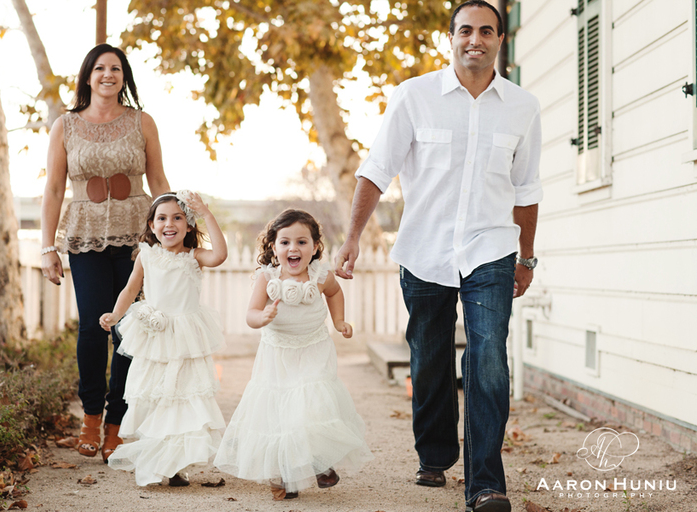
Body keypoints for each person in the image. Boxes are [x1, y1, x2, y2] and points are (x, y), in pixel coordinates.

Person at [335, 2, 542, 511]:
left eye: (487, 31)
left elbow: (527, 189)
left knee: (488, 356)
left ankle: (487, 483)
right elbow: (377, 169)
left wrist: (527, 256)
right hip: (424, 249)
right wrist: (353, 237)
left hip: (491, 248)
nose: (476, 39)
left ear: (500, 40)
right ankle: (434, 454)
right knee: (428, 356)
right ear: (450, 38)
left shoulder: (522, 106)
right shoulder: (414, 96)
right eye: (466, 30)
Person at [40, 43, 171, 463]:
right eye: (100, 68)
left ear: (124, 77)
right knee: (93, 329)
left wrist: (174, 234)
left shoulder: (142, 122)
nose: (108, 75)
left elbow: (159, 180)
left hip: (137, 240)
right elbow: (54, 189)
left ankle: (117, 423)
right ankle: (91, 417)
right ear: (88, 76)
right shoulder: (65, 125)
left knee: (129, 331)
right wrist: (48, 247)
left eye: (116, 68)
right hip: (86, 237)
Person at [214, 209, 373, 500]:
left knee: (312, 406)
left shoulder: (321, 275)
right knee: (280, 416)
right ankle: (285, 477)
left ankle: (318, 461)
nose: (293, 248)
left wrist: (339, 322)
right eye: (285, 242)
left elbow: (335, 293)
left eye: (302, 242)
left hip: (314, 349)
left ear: (314, 248)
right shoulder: (267, 278)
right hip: (278, 356)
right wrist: (261, 317)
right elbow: (250, 313)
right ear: (273, 247)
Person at [99, 190, 228, 486]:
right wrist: (115, 315)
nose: (169, 224)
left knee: (183, 396)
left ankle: (176, 464)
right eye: (162, 218)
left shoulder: (194, 256)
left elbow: (220, 255)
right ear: (152, 225)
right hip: (155, 338)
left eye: (178, 217)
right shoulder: (147, 255)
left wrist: (207, 213)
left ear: (189, 225)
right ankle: (160, 460)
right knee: (156, 397)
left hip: (185, 339)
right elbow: (130, 290)